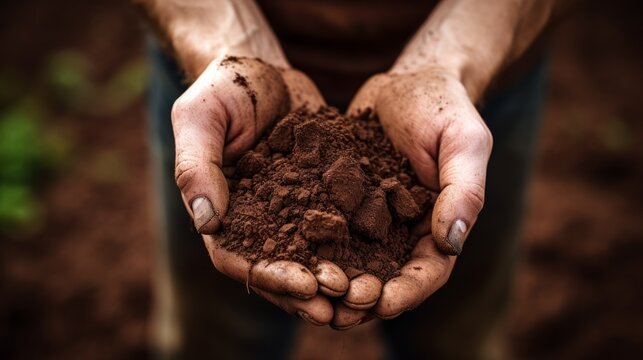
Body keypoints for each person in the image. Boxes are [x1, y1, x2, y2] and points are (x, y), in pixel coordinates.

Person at [135, 0, 569, 358]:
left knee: (454, 340)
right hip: (222, 89)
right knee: (215, 341)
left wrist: (452, 58)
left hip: (469, 81)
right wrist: (225, 41)